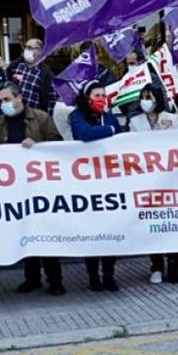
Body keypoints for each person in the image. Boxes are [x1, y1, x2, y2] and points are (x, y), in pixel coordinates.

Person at [0, 83, 66, 295]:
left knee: (45, 233)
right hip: (14, 188)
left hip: (39, 186)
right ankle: (31, 278)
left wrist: (38, 145)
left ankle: (55, 280)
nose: (3, 104)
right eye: (1, 101)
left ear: (19, 98)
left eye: (7, 99)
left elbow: (58, 143)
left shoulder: (40, 118)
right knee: (25, 234)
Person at [130, 83, 178, 285]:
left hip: (172, 181)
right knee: (153, 225)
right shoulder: (135, 122)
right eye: (143, 96)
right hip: (147, 182)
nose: (146, 100)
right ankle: (156, 266)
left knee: (177, 224)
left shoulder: (171, 119)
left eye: (150, 96)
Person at [69, 81, 125, 292]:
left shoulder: (109, 116)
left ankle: (109, 274)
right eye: (97, 95)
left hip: (109, 179)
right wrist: (110, 130)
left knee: (110, 228)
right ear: (87, 98)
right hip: (86, 181)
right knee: (91, 229)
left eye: (104, 94)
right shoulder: (77, 116)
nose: (102, 98)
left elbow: (122, 139)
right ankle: (93, 274)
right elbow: (84, 134)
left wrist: (110, 127)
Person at [6, 36, 56, 114]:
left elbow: (51, 100)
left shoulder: (46, 74)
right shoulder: (17, 66)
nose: (26, 50)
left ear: (39, 51)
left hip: (34, 118)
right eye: (25, 47)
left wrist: (46, 120)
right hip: (15, 113)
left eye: (29, 47)